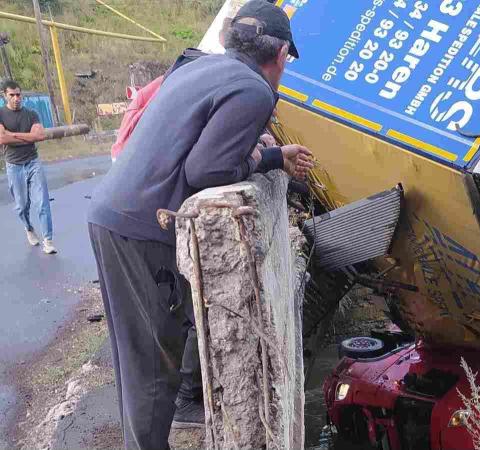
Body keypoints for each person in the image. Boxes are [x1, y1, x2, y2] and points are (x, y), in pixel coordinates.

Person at [86, 1, 312, 448]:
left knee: (138, 361)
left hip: (114, 214)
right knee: (153, 367)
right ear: (281, 53)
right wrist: (266, 157)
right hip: (144, 230)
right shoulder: (254, 89)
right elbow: (207, 170)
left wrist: (259, 152)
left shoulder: (197, 66)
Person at [0, 79, 56, 254]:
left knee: (42, 202)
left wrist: (12, 134)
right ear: (4, 95)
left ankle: (48, 240)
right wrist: (25, 136)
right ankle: (29, 228)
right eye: (12, 95)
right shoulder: (1, 114)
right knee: (22, 205)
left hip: (33, 162)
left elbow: (39, 136)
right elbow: (2, 139)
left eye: (18, 94)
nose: (16, 98)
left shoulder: (31, 114)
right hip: (14, 165)